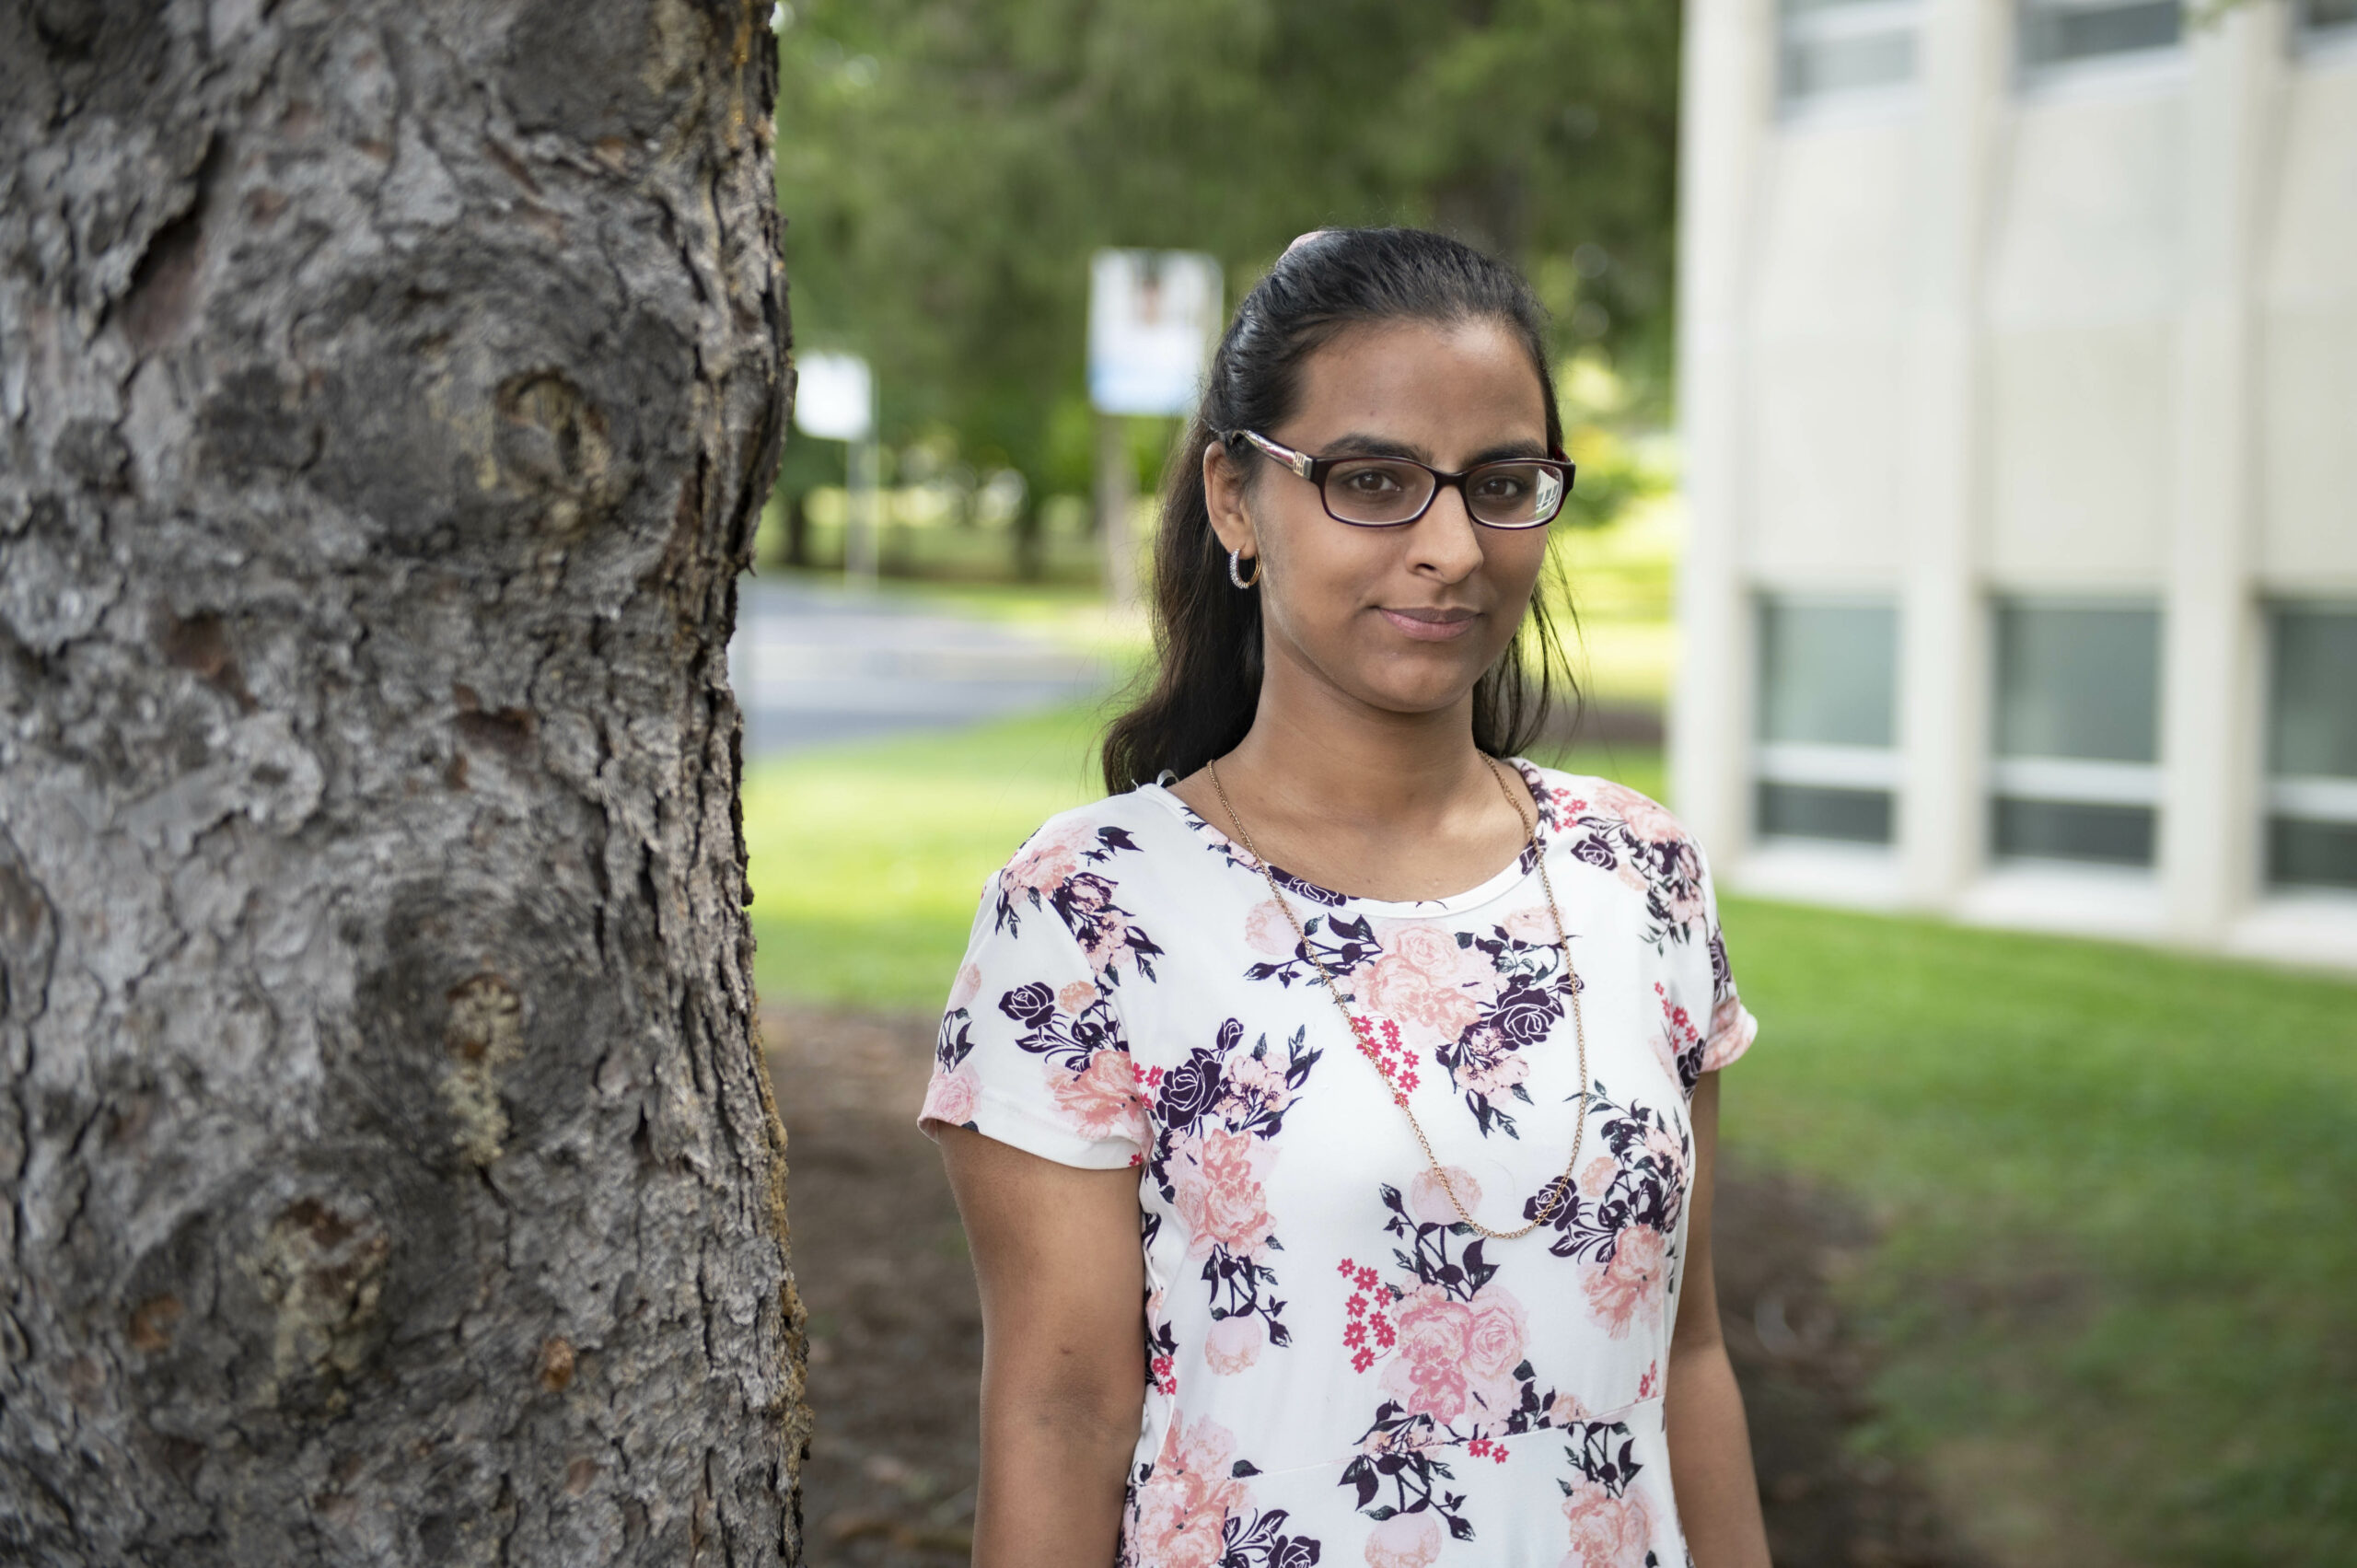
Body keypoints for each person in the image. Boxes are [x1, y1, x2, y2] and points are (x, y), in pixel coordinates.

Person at [921, 227, 1771, 1568]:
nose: (1450, 546)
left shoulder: (1639, 872)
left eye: (1501, 484)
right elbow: (1056, 1417)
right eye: (1372, 481)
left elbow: (1693, 1351)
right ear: (1235, 498)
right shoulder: (1087, 913)